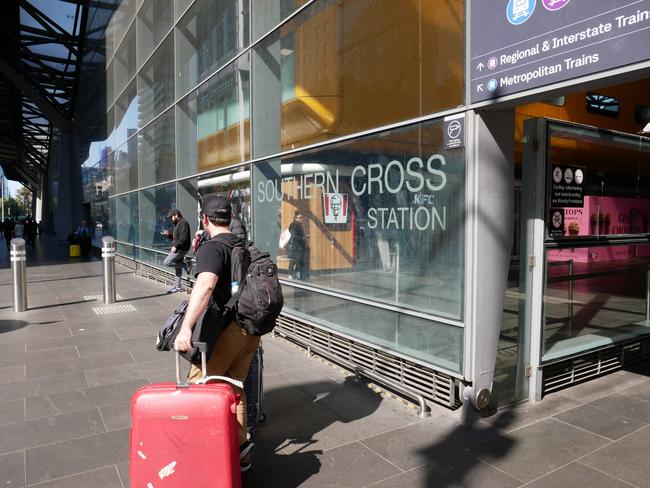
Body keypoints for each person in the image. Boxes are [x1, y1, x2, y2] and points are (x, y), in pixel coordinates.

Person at [174, 196, 260, 472]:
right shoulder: (243, 244)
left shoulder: (212, 247)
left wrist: (186, 328)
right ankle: (241, 454)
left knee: (201, 387)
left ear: (205, 219)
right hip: (249, 331)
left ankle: (205, 456)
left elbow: (206, 286)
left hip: (227, 332)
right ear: (230, 218)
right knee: (234, 391)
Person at [162, 209, 191, 293]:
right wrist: (169, 235)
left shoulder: (183, 223)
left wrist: (176, 246)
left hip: (181, 249)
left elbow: (184, 237)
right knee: (177, 267)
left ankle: (186, 265)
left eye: (172, 217)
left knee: (166, 262)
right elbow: (177, 238)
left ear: (176, 215)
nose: (171, 218)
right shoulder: (177, 223)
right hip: (179, 248)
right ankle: (177, 287)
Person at [287, 210, 309, 280]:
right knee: (294, 261)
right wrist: (302, 238)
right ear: (295, 218)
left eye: (301, 217)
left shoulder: (298, 225)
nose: (301, 219)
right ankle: (291, 274)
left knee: (295, 261)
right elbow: (294, 236)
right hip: (295, 247)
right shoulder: (294, 225)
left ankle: (293, 274)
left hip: (297, 247)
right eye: (299, 218)